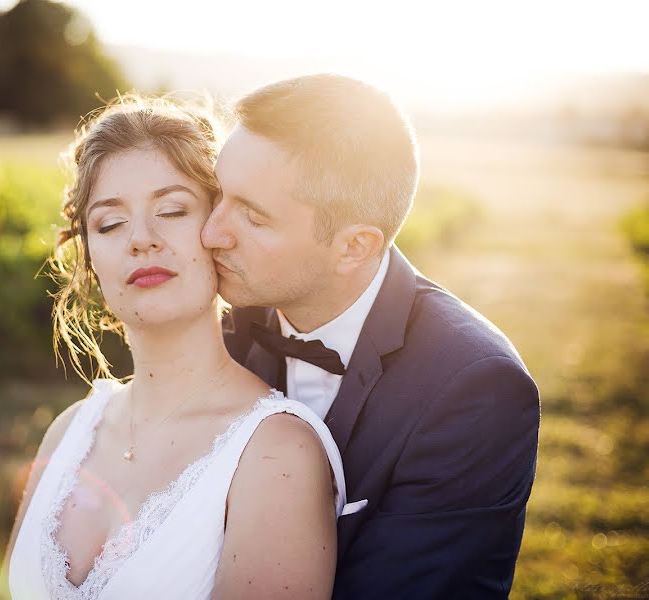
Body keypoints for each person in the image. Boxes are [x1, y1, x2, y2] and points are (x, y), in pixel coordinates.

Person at [0, 95, 349, 600]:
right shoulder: (68, 432)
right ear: (91, 257)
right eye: (110, 223)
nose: (141, 238)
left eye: (173, 210)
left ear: (219, 231)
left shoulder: (275, 454)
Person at [204, 74, 541, 598]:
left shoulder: (475, 389)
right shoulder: (214, 327)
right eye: (217, 193)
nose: (211, 233)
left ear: (354, 248)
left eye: (252, 216)